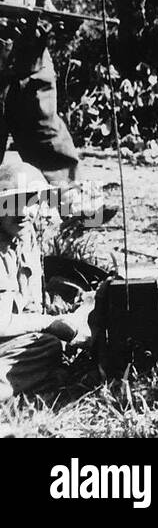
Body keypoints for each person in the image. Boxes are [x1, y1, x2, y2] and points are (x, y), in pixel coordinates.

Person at [0, 0, 88, 214]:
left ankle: (75, 213)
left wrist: (57, 22)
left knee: (50, 139)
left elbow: (46, 5)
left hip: (31, 71)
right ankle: (7, 220)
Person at [0, 160, 91, 400]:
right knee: (48, 346)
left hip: (9, 341)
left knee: (51, 344)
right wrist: (49, 324)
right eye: (12, 203)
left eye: (30, 202)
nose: (23, 212)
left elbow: (30, 304)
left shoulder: (24, 238)